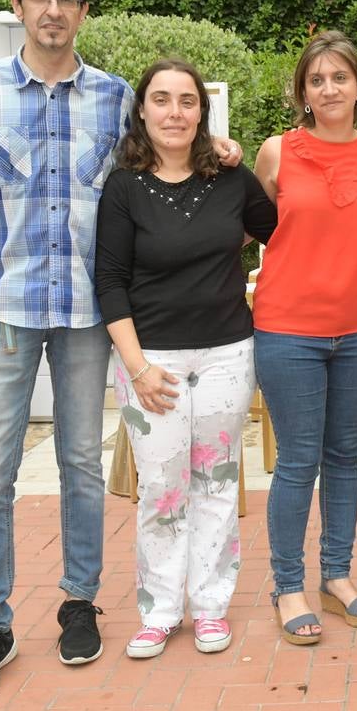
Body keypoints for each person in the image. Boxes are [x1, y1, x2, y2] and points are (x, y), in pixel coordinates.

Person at [0, 0, 242, 698]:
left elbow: (160, 167)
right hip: (0, 307)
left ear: (83, 10)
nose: (53, 10)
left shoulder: (113, 96)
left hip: (82, 314)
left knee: (78, 465)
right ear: (18, 6)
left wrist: (219, 150)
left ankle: (79, 604)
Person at [94, 59, 277, 658]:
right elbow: (111, 282)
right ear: (142, 110)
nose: (175, 112)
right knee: (162, 487)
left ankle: (211, 607)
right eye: (162, 100)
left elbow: (270, 226)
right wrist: (137, 367)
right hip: (152, 360)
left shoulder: (229, 179)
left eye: (187, 101)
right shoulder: (123, 188)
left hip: (227, 350)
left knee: (217, 483)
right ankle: (160, 609)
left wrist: (238, 159)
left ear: (203, 111)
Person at [253, 31, 357, 645]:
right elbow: (257, 226)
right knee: (297, 461)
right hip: (288, 330)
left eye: (340, 77)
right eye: (316, 80)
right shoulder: (276, 153)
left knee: (345, 457)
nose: (329, 88)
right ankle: (288, 585)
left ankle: (336, 575)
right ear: (303, 93)